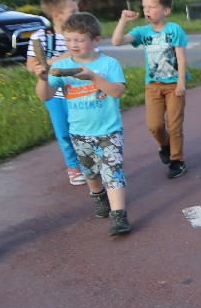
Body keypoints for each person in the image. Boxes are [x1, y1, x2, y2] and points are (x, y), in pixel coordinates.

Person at [35, 12, 132, 235]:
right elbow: (46, 96)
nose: (73, 45)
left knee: (112, 171)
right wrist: (42, 80)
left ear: (96, 40)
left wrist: (93, 77)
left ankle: (119, 216)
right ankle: (98, 195)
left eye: (79, 40)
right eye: (68, 40)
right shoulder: (62, 66)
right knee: (90, 172)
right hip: (79, 131)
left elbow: (117, 91)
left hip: (109, 130)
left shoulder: (109, 64)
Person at [111, 0, 189, 179]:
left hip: (173, 85)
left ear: (166, 10)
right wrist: (123, 21)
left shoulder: (174, 29)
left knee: (174, 125)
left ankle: (177, 160)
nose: (147, 10)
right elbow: (117, 41)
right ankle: (165, 145)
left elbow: (180, 56)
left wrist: (181, 82)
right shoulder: (142, 31)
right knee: (154, 125)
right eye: (144, 7)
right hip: (153, 85)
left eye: (152, 7)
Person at [26, 0, 83, 185]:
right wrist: (61, 58)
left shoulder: (82, 34)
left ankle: (91, 161)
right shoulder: (42, 37)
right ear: (56, 15)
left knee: (85, 129)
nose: (78, 14)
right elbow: (32, 65)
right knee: (64, 133)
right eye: (73, 11)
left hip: (81, 91)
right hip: (56, 94)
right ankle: (74, 167)